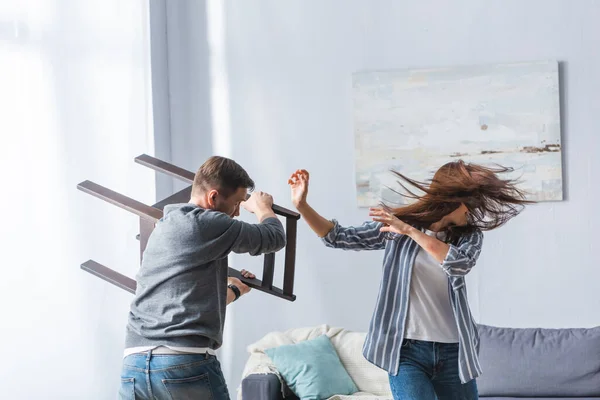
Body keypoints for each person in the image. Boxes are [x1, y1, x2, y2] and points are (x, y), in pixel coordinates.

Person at [288, 160, 531, 400]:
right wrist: (302, 205)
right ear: (451, 200)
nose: (471, 210)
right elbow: (338, 237)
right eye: (468, 204)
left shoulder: (467, 236)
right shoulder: (399, 227)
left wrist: (410, 232)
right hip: (406, 352)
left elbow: (458, 264)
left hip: (453, 352)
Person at [119, 156, 286, 400]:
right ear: (213, 197)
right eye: (238, 202)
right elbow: (273, 238)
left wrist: (235, 290)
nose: (238, 212)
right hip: (183, 363)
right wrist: (263, 208)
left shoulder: (165, 225)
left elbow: (185, 300)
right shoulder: (207, 223)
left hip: (134, 365)